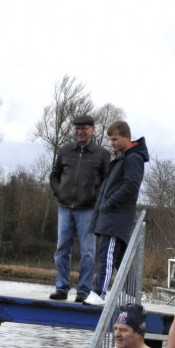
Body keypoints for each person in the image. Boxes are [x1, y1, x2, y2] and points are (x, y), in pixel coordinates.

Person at [83, 121, 148, 306]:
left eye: (115, 139)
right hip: (110, 217)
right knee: (120, 259)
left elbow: (131, 186)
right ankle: (132, 295)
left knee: (107, 255)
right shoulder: (123, 158)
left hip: (116, 218)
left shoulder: (133, 158)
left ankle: (99, 293)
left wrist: (110, 202)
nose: (112, 143)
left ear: (126, 137)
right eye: (110, 139)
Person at [48, 115, 110, 303]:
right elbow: (54, 174)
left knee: (88, 252)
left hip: (88, 209)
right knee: (61, 249)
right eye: (77, 128)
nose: (80, 131)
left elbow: (107, 182)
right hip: (65, 207)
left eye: (84, 128)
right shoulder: (65, 151)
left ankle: (83, 290)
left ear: (93, 129)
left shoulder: (101, 154)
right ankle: (62, 288)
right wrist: (59, 192)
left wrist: (95, 198)